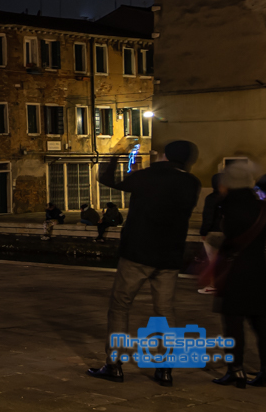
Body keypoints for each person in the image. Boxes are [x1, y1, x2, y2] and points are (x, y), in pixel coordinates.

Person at [87, 140, 202, 386]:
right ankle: (165, 369)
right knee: (165, 311)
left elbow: (106, 179)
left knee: (120, 306)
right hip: (170, 256)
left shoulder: (148, 176)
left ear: (165, 156)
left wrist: (116, 154)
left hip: (137, 253)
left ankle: (114, 365)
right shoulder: (192, 183)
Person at [209, 161, 266, 388]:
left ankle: (236, 370)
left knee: (233, 325)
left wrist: (216, 241)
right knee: (261, 324)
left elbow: (226, 239)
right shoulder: (261, 206)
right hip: (260, 270)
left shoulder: (227, 205)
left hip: (234, 272)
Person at [199, 173, 225, 294]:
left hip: (213, 232)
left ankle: (213, 285)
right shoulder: (230, 198)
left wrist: (204, 232)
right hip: (227, 232)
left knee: (212, 262)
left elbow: (208, 217)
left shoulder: (211, 198)